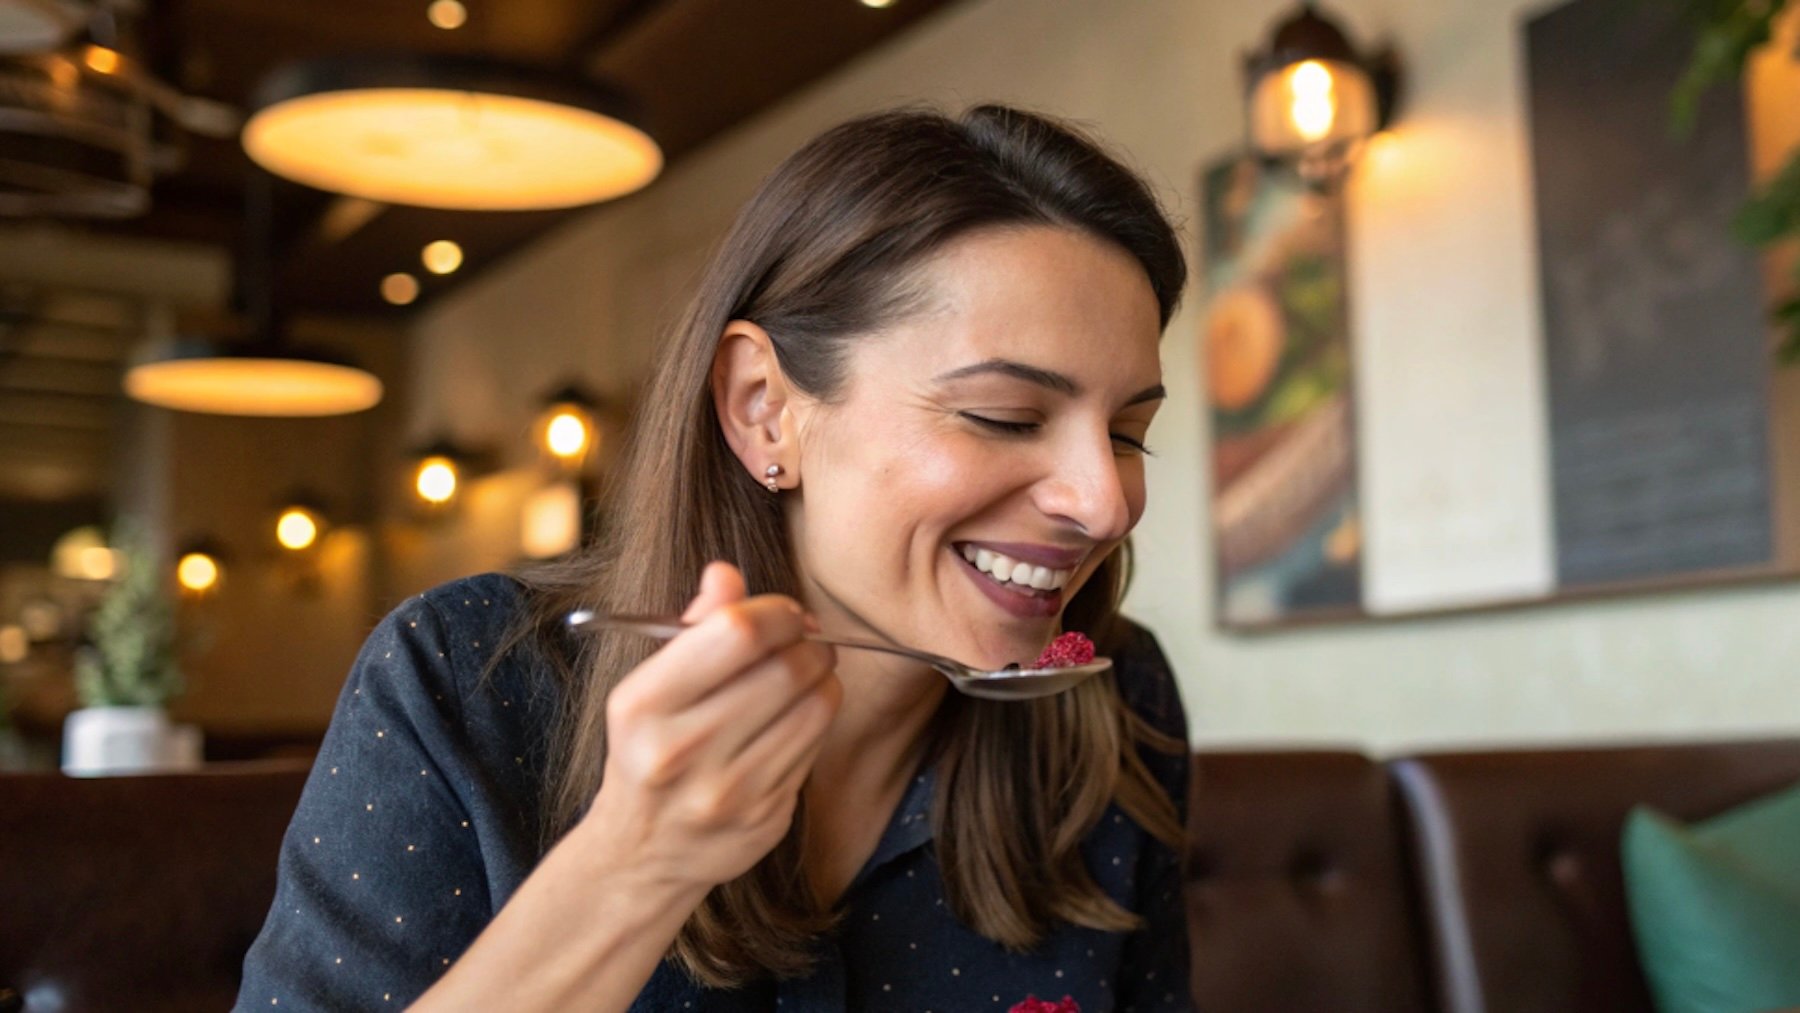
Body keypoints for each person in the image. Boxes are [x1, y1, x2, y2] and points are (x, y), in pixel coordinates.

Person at [237, 103, 1194, 1012]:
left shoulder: (1119, 701)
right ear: (761, 406)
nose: (1104, 501)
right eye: (1006, 416)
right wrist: (634, 861)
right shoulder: (463, 679)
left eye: (1127, 432)